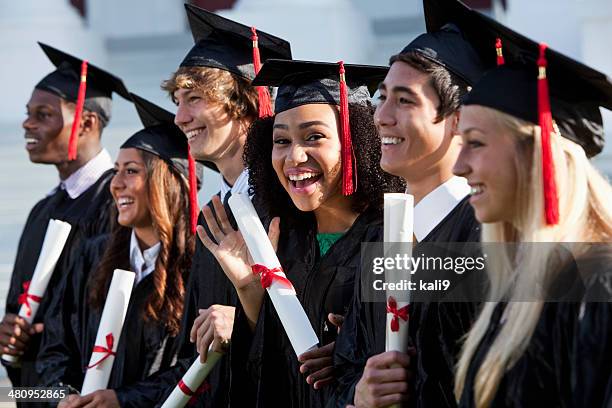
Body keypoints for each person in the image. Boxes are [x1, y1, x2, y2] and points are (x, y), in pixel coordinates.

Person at [110, 5, 292, 407]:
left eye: (193, 99)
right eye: (177, 101)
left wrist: (244, 321)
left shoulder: (287, 204)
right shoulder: (212, 215)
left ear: (244, 100)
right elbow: (191, 357)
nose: (179, 117)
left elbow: (319, 327)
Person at [196, 58, 405, 408]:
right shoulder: (285, 244)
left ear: (355, 141)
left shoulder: (396, 235)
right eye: (281, 140)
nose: (294, 155)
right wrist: (250, 293)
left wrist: (351, 349)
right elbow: (264, 377)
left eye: (314, 137)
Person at [330, 1, 493, 406]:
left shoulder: (486, 237)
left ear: (459, 118)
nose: (381, 116)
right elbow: (348, 365)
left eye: (405, 101)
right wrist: (360, 395)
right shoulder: (380, 238)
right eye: (382, 97)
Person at [451, 18, 612, 408]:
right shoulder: (522, 281)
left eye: (475, 143)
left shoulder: (598, 284)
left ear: (538, 153)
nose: (458, 166)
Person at [36, 94, 203, 407]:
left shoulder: (199, 268)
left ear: (167, 183)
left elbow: (196, 369)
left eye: (131, 171)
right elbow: (55, 348)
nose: (116, 184)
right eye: (116, 170)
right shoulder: (91, 257)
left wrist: (123, 401)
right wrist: (66, 397)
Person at [0, 42, 130, 390]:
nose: (27, 124)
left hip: (84, 391)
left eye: (43, 115)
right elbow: (18, 302)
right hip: (36, 387)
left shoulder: (117, 203)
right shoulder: (42, 210)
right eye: (29, 113)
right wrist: (10, 330)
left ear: (86, 122)